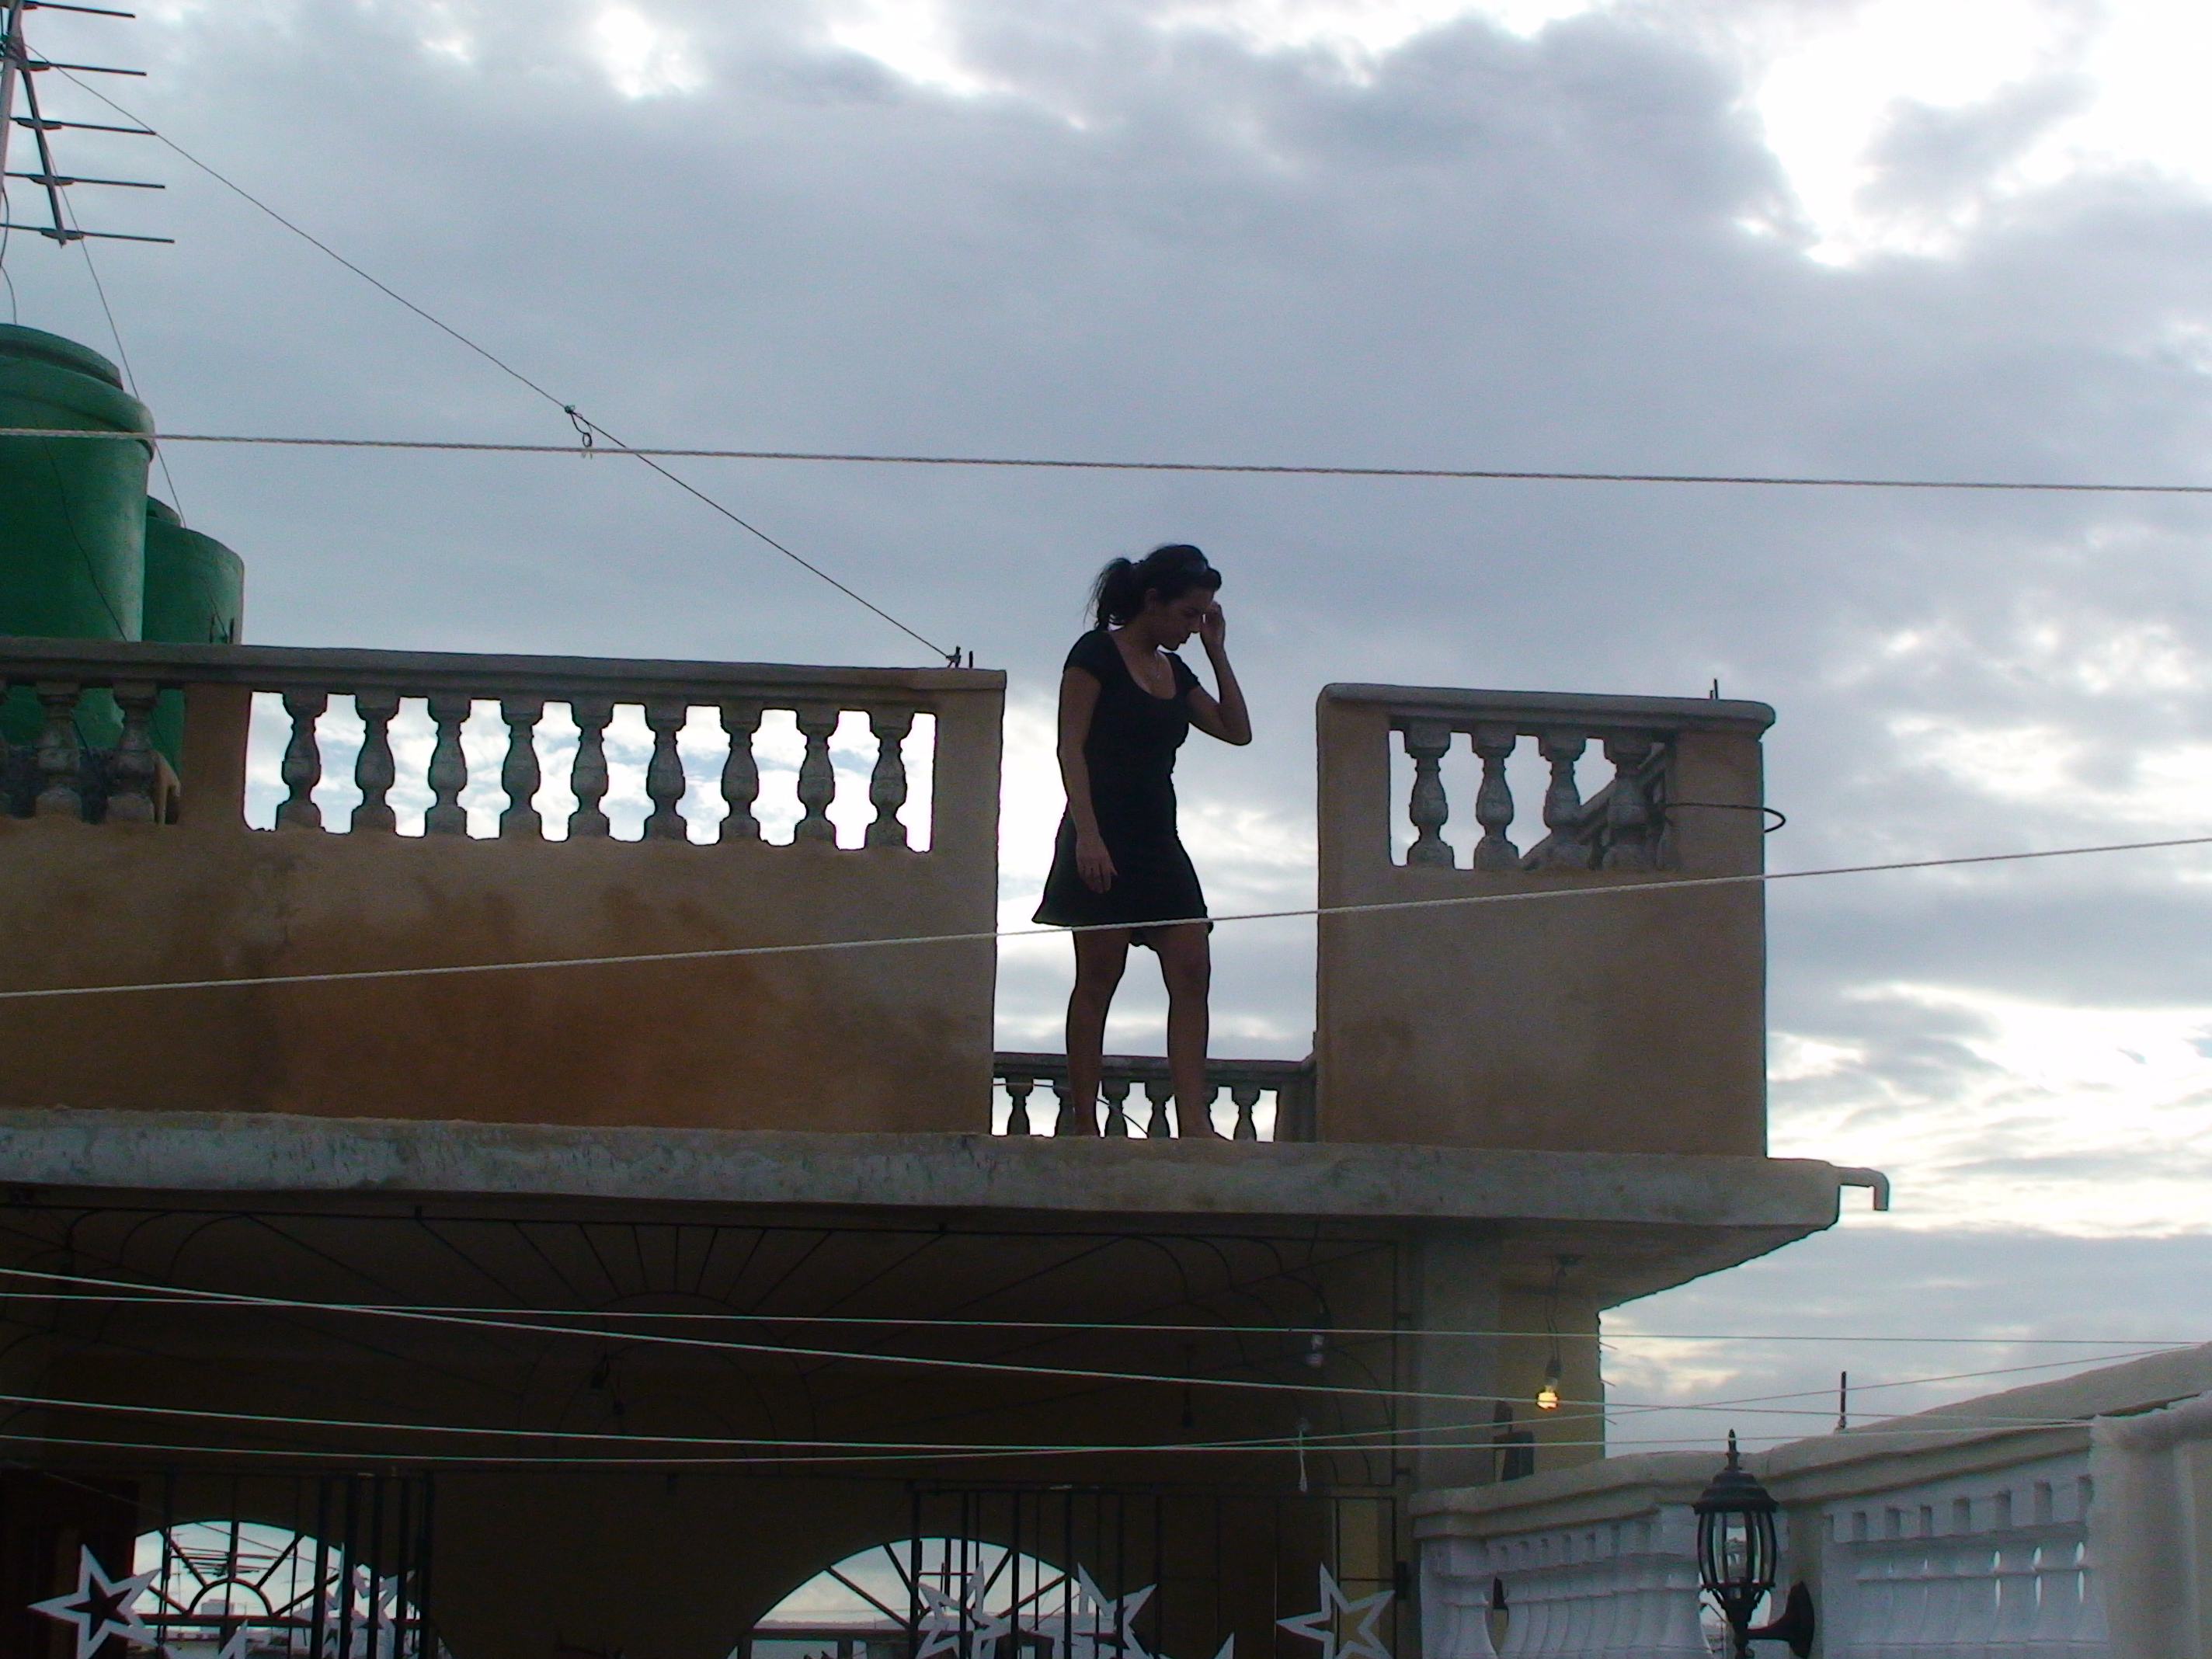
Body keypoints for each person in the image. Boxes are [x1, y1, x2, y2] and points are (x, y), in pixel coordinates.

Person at [1034, 544, 1252, 1137]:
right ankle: (1084, 1122)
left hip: (1159, 839)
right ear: (1152, 601)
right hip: (1100, 833)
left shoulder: (1176, 671)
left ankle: (1194, 1120)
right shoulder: (1095, 655)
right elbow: (1070, 748)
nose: (1193, 626)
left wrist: (1217, 651)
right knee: (1099, 976)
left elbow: (1237, 731)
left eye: (1202, 616)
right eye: (1188, 614)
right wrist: (1089, 837)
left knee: (1192, 966)